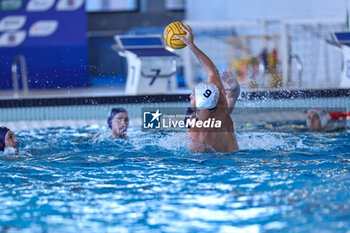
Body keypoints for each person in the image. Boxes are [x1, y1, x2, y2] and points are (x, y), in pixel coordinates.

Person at [176, 24, 239, 153]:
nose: (190, 96)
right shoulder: (222, 113)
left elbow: (213, 72)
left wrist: (190, 44)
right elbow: (213, 72)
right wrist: (191, 45)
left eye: (193, 94)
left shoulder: (196, 134)